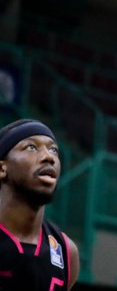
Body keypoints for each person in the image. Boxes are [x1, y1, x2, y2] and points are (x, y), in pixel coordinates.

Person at [0, 119, 78, 291]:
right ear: (2, 169)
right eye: (31, 147)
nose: (49, 157)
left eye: (53, 150)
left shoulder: (66, 251)